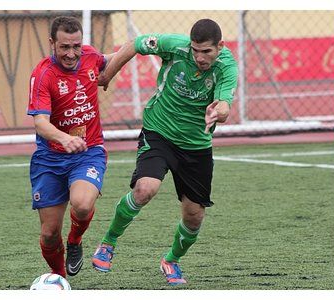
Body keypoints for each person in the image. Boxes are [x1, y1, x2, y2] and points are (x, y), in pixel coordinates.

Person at [91, 18, 238, 285]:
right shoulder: (174, 46)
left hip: (196, 145)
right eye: (195, 50)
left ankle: (171, 261)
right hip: (159, 131)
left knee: (194, 217)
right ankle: (107, 243)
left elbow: (225, 104)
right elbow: (135, 44)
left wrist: (218, 111)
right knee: (145, 189)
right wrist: (108, 74)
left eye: (206, 51)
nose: (200, 57)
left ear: (220, 47)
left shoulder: (227, 67)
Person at [27, 16, 113, 278]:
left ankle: (75, 241)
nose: (72, 53)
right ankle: (60, 278)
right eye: (65, 47)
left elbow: (113, 58)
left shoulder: (90, 56)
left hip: (88, 152)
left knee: (83, 204)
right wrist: (64, 138)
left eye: (76, 46)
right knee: (50, 234)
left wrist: (142, 45)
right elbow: (40, 122)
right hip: (50, 158)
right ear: (52, 43)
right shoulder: (43, 75)